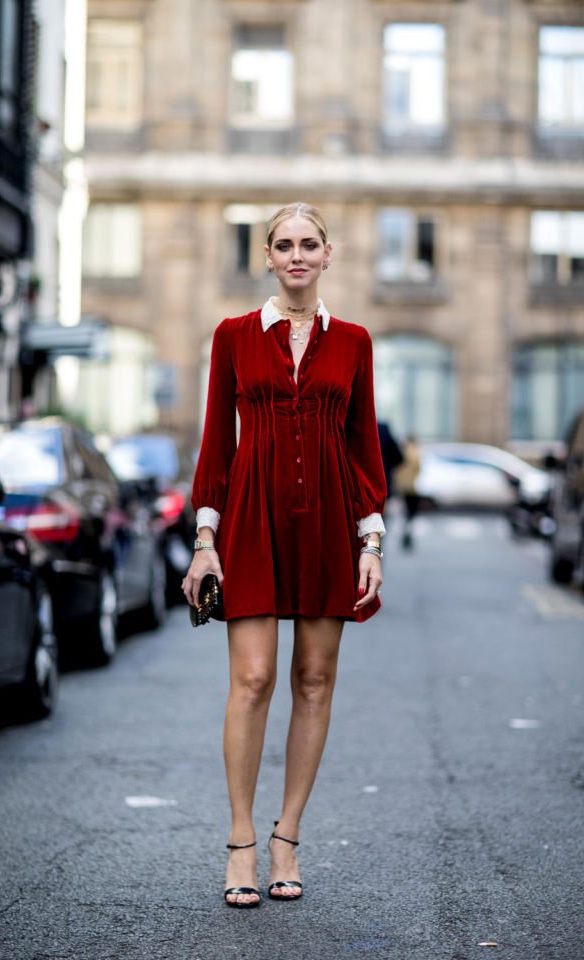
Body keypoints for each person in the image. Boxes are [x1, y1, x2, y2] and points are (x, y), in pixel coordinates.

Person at [181, 202, 387, 909]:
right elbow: (217, 442)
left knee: (316, 680)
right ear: (267, 257)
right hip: (251, 520)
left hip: (331, 523)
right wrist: (205, 541)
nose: (296, 255)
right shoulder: (234, 337)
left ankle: (287, 837)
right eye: (283, 245)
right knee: (254, 679)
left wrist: (372, 542)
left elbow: (363, 450)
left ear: (329, 254)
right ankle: (241, 838)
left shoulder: (355, 341)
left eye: (309, 244)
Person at [393, 433, 421, 549]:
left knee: (404, 512)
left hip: (401, 486)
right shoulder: (415, 452)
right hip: (411, 487)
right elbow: (418, 468)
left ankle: (405, 533)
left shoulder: (402, 451)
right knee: (411, 513)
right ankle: (407, 533)